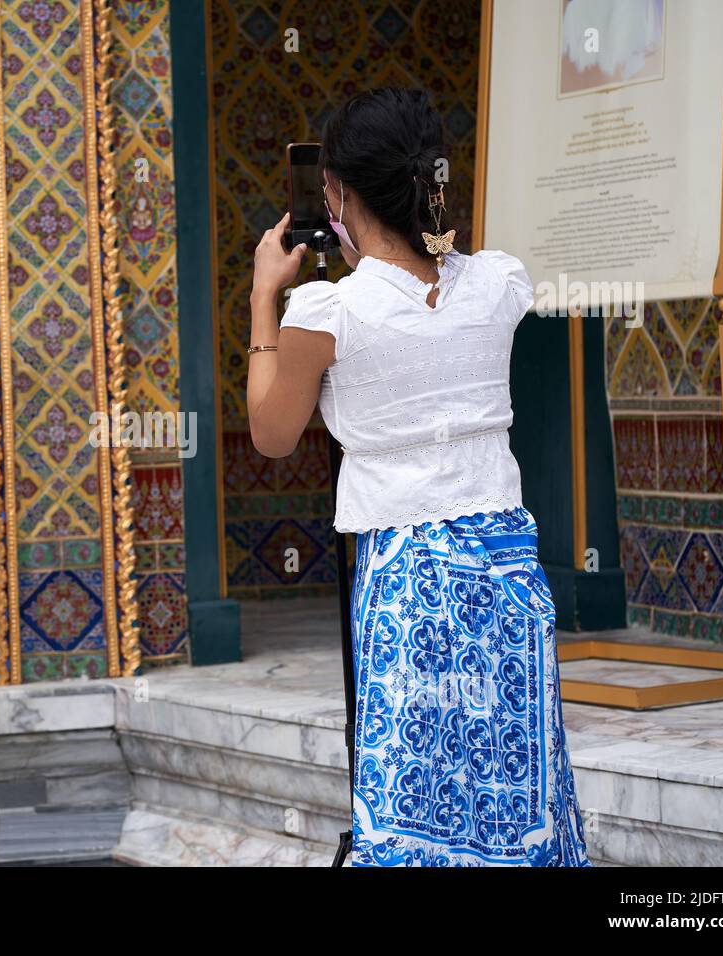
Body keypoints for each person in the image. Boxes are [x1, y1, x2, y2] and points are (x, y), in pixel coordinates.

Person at [245, 88, 591, 867]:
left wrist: (265, 297)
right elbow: (449, 269)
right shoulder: (500, 283)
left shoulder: (327, 311)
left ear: (336, 194)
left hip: (410, 578)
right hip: (505, 565)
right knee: (517, 780)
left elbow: (271, 433)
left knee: (414, 792)